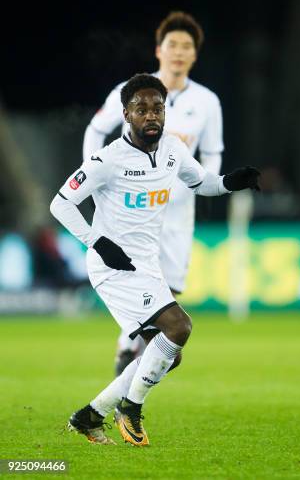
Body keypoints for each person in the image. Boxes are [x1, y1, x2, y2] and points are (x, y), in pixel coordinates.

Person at [51, 74, 260, 445]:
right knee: (179, 327)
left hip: (146, 264)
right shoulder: (107, 159)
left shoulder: (173, 150)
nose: (151, 115)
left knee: (167, 356)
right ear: (126, 114)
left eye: (158, 108)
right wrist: (97, 241)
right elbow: (60, 203)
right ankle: (130, 409)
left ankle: (90, 415)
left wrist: (230, 182)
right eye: (141, 108)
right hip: (113, 266)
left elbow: (200, 183)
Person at [83, 11, 223, 376]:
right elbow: (95, 130)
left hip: (177, 213)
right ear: (159, 50)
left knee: (169, 295)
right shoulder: (132, 92)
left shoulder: (207, 102)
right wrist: (94, 178)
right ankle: (128, 365)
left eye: (187, 46)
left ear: (195, 54)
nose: (179, 52)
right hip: (130, 213)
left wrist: (207, 183)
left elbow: (212, 155)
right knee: (137, 289)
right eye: (172, 45)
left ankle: (127, 357)